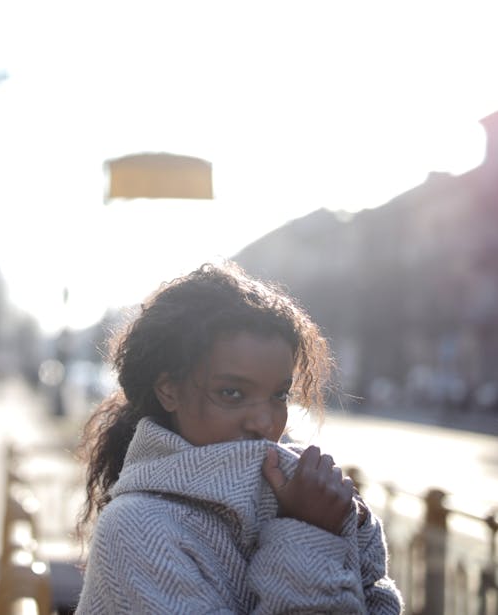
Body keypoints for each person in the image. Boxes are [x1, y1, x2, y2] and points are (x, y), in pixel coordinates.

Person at [75, 262, 403, 614]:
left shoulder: (288, 493)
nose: (264, 423)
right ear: (168, 390)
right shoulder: (136, 526)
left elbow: (381, 603)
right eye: (231, 393)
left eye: (279, 395)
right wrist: (309, 535)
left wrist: (354, 528)